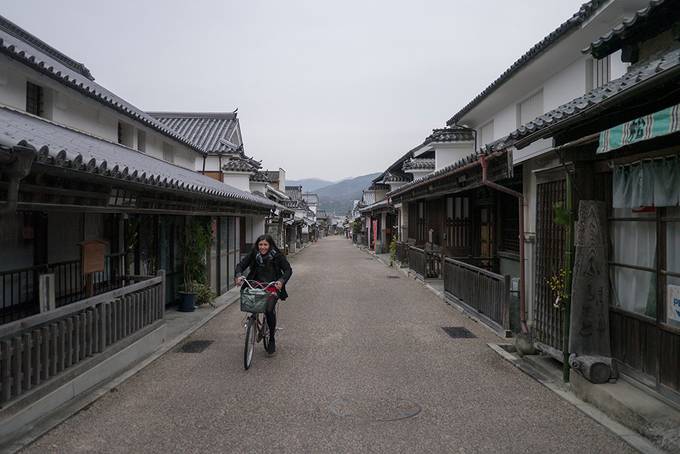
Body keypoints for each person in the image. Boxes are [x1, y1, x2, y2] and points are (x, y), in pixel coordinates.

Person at [235, 234, 292, 354]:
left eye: (265, 244)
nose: (263, 247)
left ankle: (271, 337)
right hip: (256, 284)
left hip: (272, 286)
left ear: (270, 245)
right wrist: (239, 275)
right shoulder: (254, 255)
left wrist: (281, 281)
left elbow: (288, 270)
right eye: (260, 244)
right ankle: (253, 322)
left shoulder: (277, 256)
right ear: (257, 245)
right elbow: (241, 265)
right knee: (252, 304)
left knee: (269, 310)